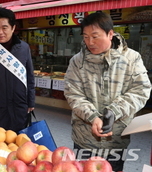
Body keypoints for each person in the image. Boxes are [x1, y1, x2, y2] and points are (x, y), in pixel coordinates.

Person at [64, 12, 152, 171]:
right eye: (86, 36)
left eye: (95, 36)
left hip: (116, 140)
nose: (90, 42)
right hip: (84, 139)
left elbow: (141, 90)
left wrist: (113, 111)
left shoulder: (132, 59)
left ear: (110, 34)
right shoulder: (77, 61)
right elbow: (73, 94)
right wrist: (92, 117)